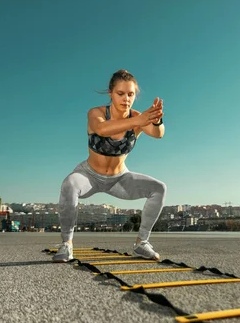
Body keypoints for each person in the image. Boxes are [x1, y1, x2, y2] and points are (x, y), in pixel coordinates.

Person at [53, 69, 166, 262]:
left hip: (119, 178)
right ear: (111, 94)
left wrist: (156, 121)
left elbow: (158, 134)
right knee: (69, 184)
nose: (126, 99)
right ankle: (66, 244)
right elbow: (101, 129)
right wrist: (138, 120)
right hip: (89, 175)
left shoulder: (138, 118)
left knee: (159, 188)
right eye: (120, 94)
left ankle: (141, 243)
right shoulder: (96, 113)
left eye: (130, 94)